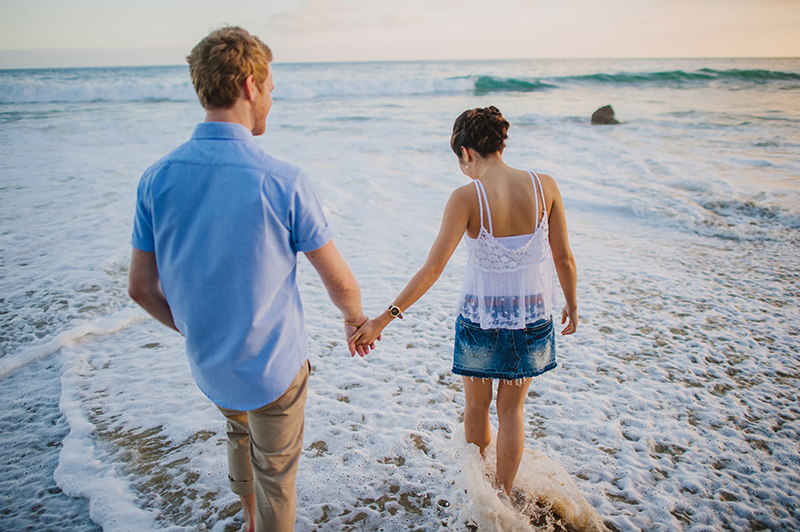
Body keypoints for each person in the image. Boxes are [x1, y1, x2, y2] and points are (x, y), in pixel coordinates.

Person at [127, 26, 373, 532]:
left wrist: (196, 330)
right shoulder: (281, 179)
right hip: (273, 368)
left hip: (210, 365)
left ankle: (248, 516)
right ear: (248, 86)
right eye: (271, 89)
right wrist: (355, 320)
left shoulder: (156, 178)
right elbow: (342, 284)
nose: (270, 100)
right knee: (276, 472)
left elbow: (141, 288)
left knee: (238, 431)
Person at [350, 106, 578, 496]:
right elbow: (564, 258)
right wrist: (572, 304)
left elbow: (433, 269)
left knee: (476, 407)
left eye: (460, 160)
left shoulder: (466, 198)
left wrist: (383, 319)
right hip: (533, 318)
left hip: (482, 320)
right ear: (500, 144)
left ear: (467, 152)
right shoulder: (546, 186)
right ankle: (503, 495)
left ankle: (478, 494)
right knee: (512, 411)